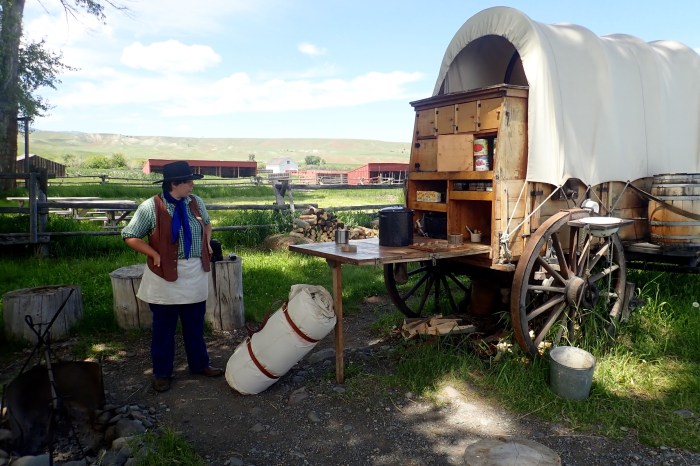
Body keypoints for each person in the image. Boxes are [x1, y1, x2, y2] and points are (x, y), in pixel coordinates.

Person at [121, 161, 223, 392]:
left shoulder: (195, 203)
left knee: (195, 324)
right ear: (174, 184)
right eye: (188, 182)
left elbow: (207, 225)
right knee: (164, 328)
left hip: (194, 272)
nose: (192, 185)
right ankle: (162, 373)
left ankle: (200, 364)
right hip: (163, 275)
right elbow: (130, 235)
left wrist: (207, 243)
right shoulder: (151, 207)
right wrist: (154, 254)